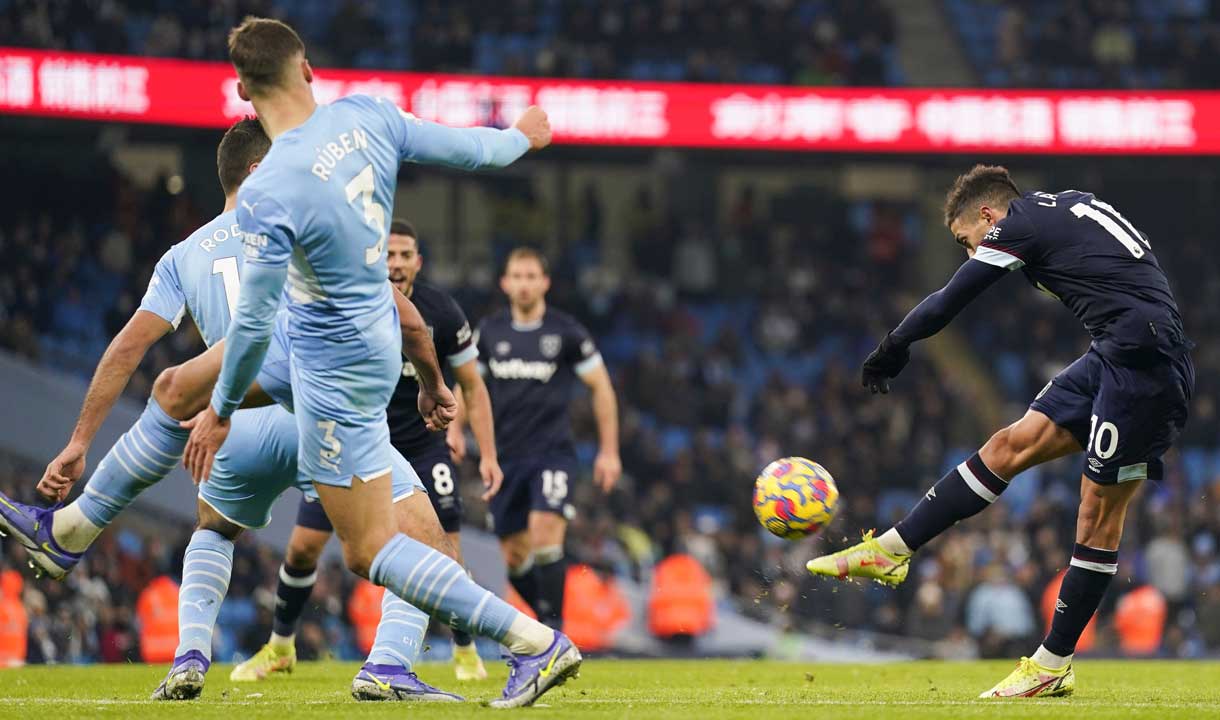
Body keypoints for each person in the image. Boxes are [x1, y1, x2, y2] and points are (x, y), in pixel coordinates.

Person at [179, 17, 577, 709]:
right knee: (399, 529)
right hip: (379, 343)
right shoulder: (367, 115)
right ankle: (399, 664)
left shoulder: (271, 186)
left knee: (366, 550)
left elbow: (250, 326)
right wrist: (521, 137)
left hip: (329, 364)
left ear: (244, 91)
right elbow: (473, 153)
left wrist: (219, 410)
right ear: (307, 69)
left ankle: (535, 643)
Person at [0, 119, 463, 700]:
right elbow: (409, 318)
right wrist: (431, 384)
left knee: (215, 530)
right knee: (421, 541)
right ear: (258, 170)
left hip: (230, 430)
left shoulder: (183, 254)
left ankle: (190, 652)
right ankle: (390, 665)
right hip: (317, 416)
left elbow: (126, 349)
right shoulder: (305, 228)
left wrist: (77, 442)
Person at [805, 165, 1193, 698]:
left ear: (988, 215)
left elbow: (949, 300)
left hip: (1146, 365)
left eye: (967, 241)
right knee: (1008, 445)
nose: (972, 253)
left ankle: (1052, 663)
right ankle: (892, 549)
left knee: (1097, 513)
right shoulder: (1063, 204)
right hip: (1115, 351)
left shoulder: (1019, 224)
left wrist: (893, 346)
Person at [232, 219, 502, 683]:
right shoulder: (349, 299)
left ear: (418, 261)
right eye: (388, 255)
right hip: (355, 446)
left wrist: (483, 449)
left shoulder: (441, 310)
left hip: (420, 447)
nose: (395, 264)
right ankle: (279, 646)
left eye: (404, 256)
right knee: (301, 549)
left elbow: (472, 385)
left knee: (444, 548)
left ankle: (464, 649)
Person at [468, 247, 621, 630]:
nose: (523, 284)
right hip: (505, 458)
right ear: (505, 283)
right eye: (516, 276)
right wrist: (453, 428)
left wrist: (609, 451)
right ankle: (546, 623)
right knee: (515, 554)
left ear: (545, 283)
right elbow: (468, 385)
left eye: (531, 276)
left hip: (553, 453)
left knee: (545, 534)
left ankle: (555, 633)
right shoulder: (489, 332)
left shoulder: (565, 332)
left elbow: (601, 387)